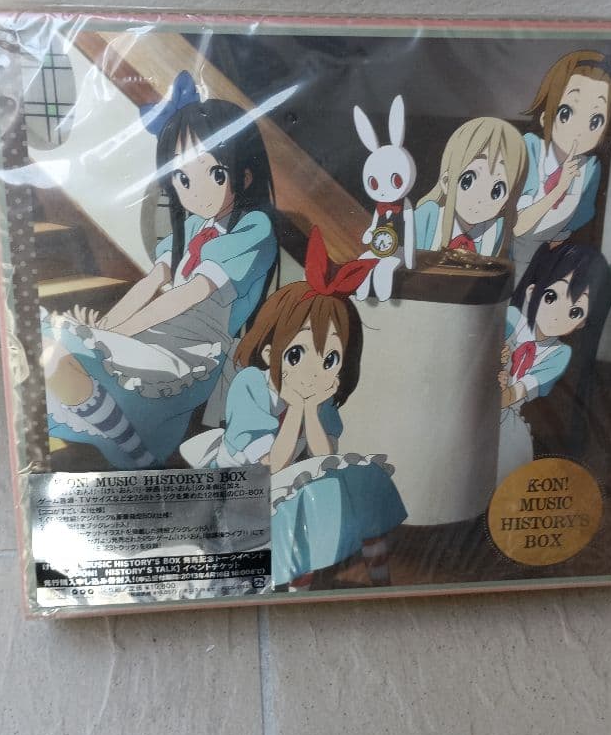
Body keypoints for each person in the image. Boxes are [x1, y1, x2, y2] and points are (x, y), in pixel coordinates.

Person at [41, 72, 278, 469]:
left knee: (68, 353)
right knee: (53, 346)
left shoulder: (254, 228)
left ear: (246, 174)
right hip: (159, 332)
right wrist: (106, 329)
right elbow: (152, 283)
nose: (195, 190)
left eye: (215, 174)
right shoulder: (191, 227)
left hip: (195, 349)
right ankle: (127, 442)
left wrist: (114, 334)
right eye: (183, 178)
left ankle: (131, 449)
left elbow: (190, 293)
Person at [181, 228, 407, 590]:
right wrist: (299, 405)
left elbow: (324, 454)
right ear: (271, 352)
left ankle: (382, 583)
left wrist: (310, 407)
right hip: (241, 490)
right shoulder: (251, 385)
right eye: (298, 354)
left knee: (365, 483)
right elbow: (271, 463)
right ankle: (294, 590)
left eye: (330, 359)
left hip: (286, 480)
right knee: (297, 522)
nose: (314, 372)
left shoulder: (320, 396)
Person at [496, 241, 611, 484]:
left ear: (582, 322)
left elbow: (515, 395)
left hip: (506, 421)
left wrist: (504, 384)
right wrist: (495, 357)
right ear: (532, 292)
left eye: (575, 312)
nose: (558, 315)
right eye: (551, 297)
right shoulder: (510, 318)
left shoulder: (558, 355)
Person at [513, 51, 611, 274]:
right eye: (566, 113)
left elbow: (583, 213)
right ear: (545, 115)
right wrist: (559, 189)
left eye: (595, 120)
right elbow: (518, 225)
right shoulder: (530, 148)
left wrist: (558, 244)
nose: (579, 130)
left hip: (551, 254)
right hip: (511, 253)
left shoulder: (591, 167)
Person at [415, 116, 528, 258]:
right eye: (467, 181)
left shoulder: (497, 231)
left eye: (497, 191)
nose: (480, 199)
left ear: (506, 203)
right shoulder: (429, 215)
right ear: (446, 182)